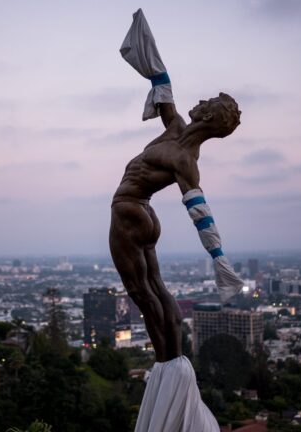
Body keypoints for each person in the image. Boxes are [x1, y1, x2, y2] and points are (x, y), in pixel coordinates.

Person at [109, 94, 242, 362]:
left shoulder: (185, 160)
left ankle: (166, 362)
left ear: (207, 116)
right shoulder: (176, 128)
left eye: (208, 102)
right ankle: (174, 358)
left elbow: (199, 211)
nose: (202, 100)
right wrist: (151, 66)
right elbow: (164, 93)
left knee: (141, 292)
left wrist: (218, 255)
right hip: (144, 212)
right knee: (156, 288)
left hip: (129, 211)